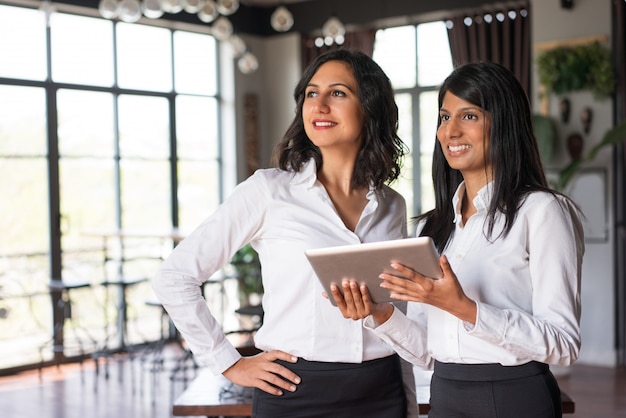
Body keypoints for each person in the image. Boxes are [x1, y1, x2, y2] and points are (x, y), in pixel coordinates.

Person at [152, 49, 420, 418]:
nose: (320, 104)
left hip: (382, 389)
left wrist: (406, 403)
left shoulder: (392, 204)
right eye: (312, 93)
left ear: (370, 107)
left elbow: (396, 314)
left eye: (338, 93)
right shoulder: (268, 191)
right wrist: (228, 362)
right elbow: (174, 276)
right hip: (295, 391)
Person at [331, 61, 585, 418]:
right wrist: (378, 314)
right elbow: (429, 352)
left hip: (514, 398)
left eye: (468, 116)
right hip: (445, 396)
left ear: (504, 123)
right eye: (444, 117)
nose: (450, 131)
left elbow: (563, 344)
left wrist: (464, 307)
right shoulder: (431, 230)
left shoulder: (542, 212)